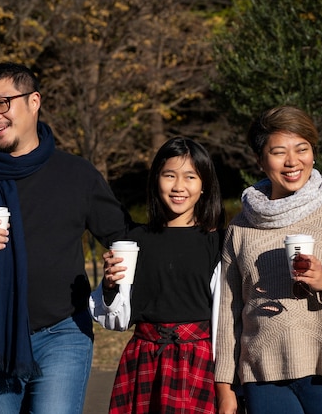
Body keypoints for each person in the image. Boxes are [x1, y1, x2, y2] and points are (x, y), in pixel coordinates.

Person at [0, 62, 132, 414]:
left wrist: (184, 222)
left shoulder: (75, 174)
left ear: (34, 101)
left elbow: (123, 235)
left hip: (63, 334)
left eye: (3, 103)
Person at [215, 105, 322, 414]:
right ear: (260, 160)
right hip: (262, 376)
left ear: (313, 152)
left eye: (302, 149)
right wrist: (225, 385)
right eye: (279, 152)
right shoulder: (241, 226)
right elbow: (229, 314)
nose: (292, 161)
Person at [89, 137, 226, 413]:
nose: (179, 186)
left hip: (199, 359)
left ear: (204, 186)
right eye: (169, 175)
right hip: (144, 356)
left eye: (190, 177)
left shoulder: (219, 242)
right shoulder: (134, 241)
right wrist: (109, 285)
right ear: (156, 181)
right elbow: (116, 321)